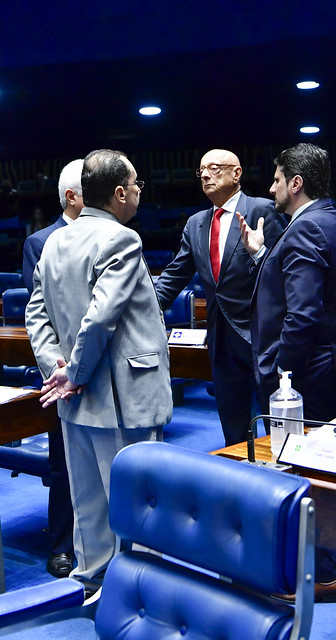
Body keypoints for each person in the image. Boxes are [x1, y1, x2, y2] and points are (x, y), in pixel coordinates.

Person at [25, 149, 172, 594]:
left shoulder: (55, 240)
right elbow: (101, 317)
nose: (140, 191)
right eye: (137, 183)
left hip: (74, 397)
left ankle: (91, 584)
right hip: (122, 395)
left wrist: (57, 369)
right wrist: (74, 373)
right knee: (138, 504)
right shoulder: (121, 238)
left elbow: (36, 315)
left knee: (87, 503)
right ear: (120, 193)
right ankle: (139, 594)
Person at [237, 143, 336, 603]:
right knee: (319, 469)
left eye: (276, 180)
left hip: (306, 375)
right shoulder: (327, 218)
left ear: (296, 183)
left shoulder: (306, 227)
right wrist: (262, 255)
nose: (270, 189)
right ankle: (326, 566)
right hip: (325, 367)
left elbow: (303, 315)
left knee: (310, 473)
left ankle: (324, 574)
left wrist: (278, 373)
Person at [155, 148, 286, 446]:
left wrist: (258, 254)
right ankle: (239, 469)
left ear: (236, 173)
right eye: (201, 170)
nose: (205, 175)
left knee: (275, 419)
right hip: (220, 336)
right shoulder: (196, 223)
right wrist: (143, 309)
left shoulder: (263, 210)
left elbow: (281, 270)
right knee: (233, 422)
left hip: (262, 333)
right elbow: (175, 275)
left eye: (214, 168)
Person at [22, 159, 84, 579]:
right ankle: (63, 544)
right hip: (62, 369)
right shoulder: (40, 241)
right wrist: (60, 368)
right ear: (72, 196)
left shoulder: (112, 235)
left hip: (103, 366)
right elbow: (39, 312)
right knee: (63, 461)